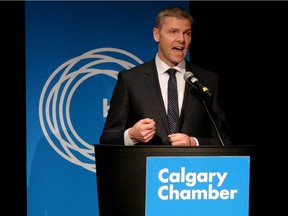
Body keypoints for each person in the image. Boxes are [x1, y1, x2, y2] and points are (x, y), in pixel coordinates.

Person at [99, 5, 232, 146]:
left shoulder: (208, 80)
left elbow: (225, 140)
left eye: (187, 33)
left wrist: (193, 143)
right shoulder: (130, 80)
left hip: (192, 168)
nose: (181, 39)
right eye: (173, 32)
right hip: (144, 167)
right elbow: (108, 139)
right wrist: (132, 135)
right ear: (157, 35)